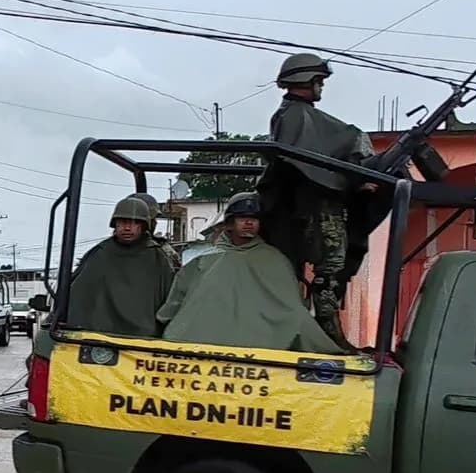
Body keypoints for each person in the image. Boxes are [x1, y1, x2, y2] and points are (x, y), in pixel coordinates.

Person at [255, 52, 376, 352]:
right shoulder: (295, 116)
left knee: (328, 271)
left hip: (314, 207)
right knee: (330, 269)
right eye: (319, 80)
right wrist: (352, 175)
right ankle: (326, 335)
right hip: (313, 210)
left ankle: (322, 332)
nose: (321, 86)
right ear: (304, 80)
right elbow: (304, 159)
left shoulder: (298, 115)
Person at [156, 192, 341, 354]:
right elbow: (175, 305)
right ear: (229, 224)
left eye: (254, 218)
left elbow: (291, 311)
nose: (249, 222)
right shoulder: (203, 261)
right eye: (242, 218)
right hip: (204, 353)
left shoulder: (275, 261)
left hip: (261, 354)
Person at [63, 196, 176, 337]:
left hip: (145, 341)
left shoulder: (159, 258)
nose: (127, 227)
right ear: (115, 224)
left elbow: (171, 301)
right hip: (97, 339)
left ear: (144, 225)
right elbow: (76, 299)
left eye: (134, 222)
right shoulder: (99, 255)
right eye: (122, 222)